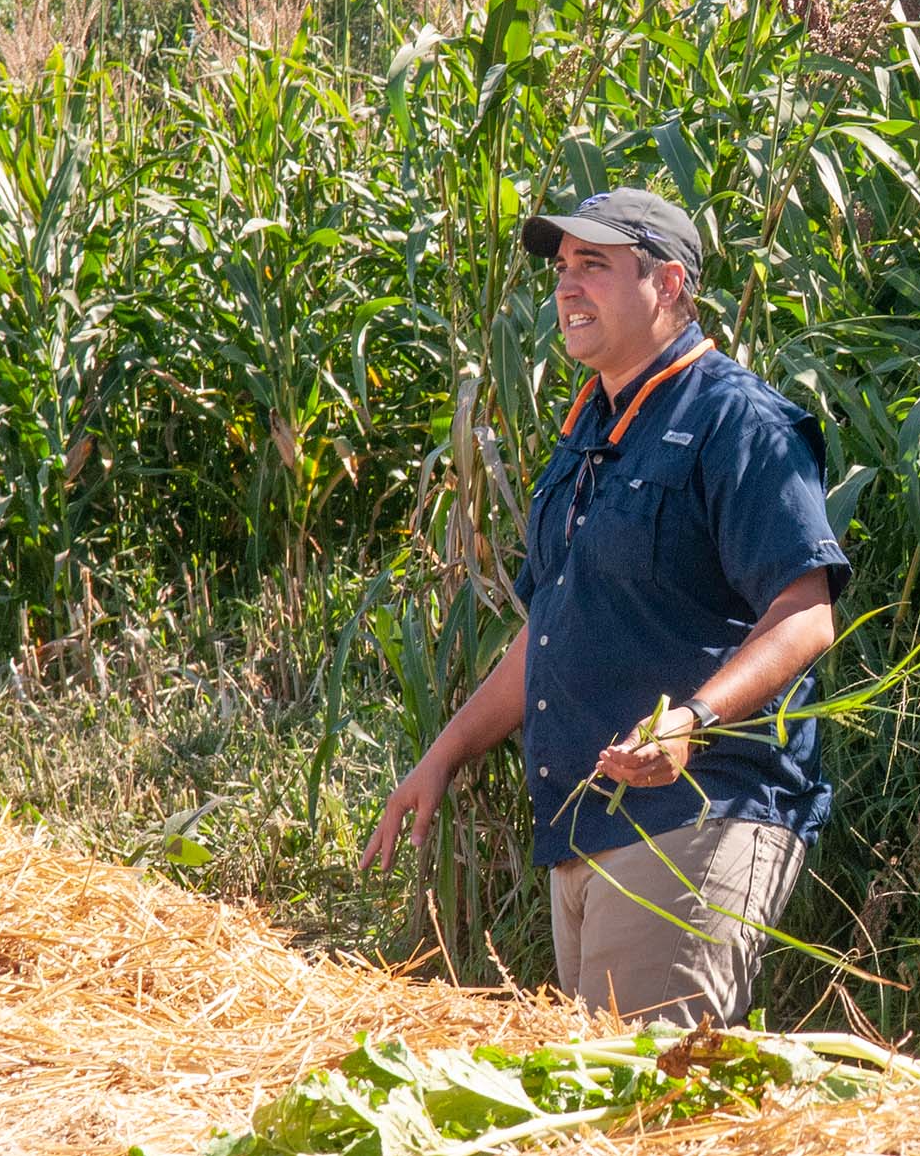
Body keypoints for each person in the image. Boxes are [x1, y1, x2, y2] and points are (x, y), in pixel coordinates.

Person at [362, 187, 848, 1025]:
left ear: (668, 284)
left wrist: (690, 720)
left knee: (645, 1107)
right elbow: (551, 629)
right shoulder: (592, 430)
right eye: (560, 269)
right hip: (584, 826)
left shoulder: (738, 420)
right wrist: (443, 756)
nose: (566, 287)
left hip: (696, 818)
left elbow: (807, 611)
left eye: (595, 265)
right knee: (602, 1103)